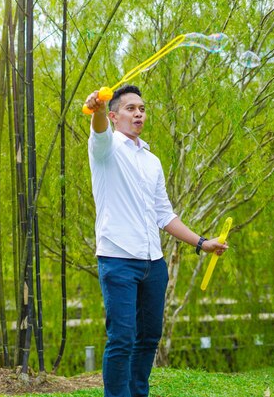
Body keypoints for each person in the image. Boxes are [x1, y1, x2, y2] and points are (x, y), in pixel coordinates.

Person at [84, 85, 228, 397]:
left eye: (142, 108)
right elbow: (99, 132)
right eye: (130, 108)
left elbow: (165, 215)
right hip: (118, 260)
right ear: (113, 115)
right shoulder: (106, 149)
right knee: (122, 337)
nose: (138, 113)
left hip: (153, 264)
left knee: (148, 337)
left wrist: (202, 242)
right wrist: (96, 112)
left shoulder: (152, 161)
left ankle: (139, 393)